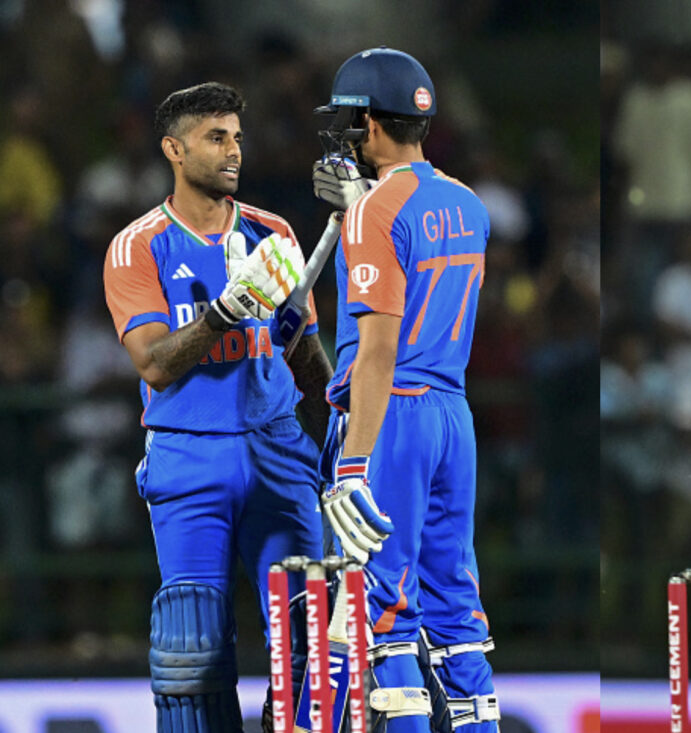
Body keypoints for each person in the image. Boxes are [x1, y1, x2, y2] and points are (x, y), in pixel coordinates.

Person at [102, 82, 332, 731]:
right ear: (175, 149)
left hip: (279, 446)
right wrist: (227, 310)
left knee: (309, 643)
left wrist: (343, 449)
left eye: (236, 135)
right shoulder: (138, 245)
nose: (234, 150)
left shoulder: (275, 233)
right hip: (188, 453)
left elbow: (310, 368)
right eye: (215, 137)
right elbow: (153, 362)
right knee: (191, 649)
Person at [309, 48, 499, 731]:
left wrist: (353, 464)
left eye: (348, 122)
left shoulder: (372, 214)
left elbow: (379, 350)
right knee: (456, 604)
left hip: (393, 416)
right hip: (454, 412)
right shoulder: (469, 204)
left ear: (368, 124)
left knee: (381, 607)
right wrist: (364, 207)